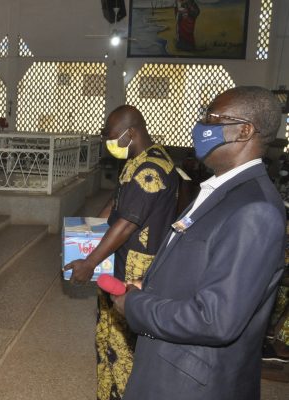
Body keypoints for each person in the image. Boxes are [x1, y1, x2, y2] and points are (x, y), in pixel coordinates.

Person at [112, 86, 285, 400]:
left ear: (245, 131)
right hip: (171, 363)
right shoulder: (223, 189)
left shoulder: (254, 210)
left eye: (212, 118)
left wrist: (135, 305)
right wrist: (150, 286)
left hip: (191, 382)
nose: (202, 126)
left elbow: (216, 319)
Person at [64, 105, 178, 400]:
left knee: (123, 345)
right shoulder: (138, 160)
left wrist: (90, 261)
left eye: (112, 137)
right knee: (107, 334)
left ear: (131, 132)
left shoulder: (150, 170)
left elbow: (127, 223)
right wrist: (86, 237)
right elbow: (116, 206)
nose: (108, 144)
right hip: (120, 258)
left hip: (135, 267)